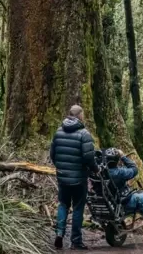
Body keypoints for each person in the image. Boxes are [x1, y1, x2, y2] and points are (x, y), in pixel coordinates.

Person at [50, 105, 99, 250]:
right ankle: (76, 241)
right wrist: (94, 169)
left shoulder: (58, 132)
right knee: (78, 208)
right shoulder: (84, 134)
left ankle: (59, 233)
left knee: (63, 204)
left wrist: (60, 168)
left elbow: (53, 154)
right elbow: (89, 157)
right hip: (79, 179)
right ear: (79, 116)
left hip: (62, 177)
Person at [103, 148, 143, 218]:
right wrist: (123, 156)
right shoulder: (120, 173)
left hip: (109, 205)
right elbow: (134, 169)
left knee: (140, 201)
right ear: (117, 160)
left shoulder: (100, 173)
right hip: (124, 204)